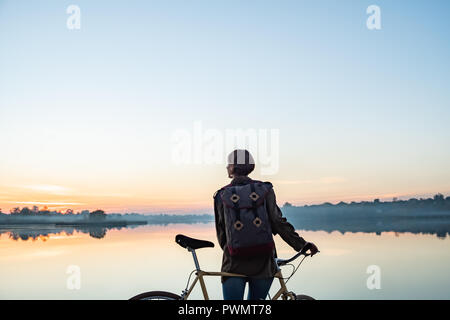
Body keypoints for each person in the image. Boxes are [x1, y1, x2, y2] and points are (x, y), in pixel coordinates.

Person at [214, 149, 319, 300]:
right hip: (263, 262)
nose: (226, 167)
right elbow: (278, 223)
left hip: (233, 262)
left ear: (232, 167)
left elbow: (221, 234)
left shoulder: (221, 195)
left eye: (228, 163)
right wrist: (302, 245)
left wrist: (234, 249)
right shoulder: (265, 190)